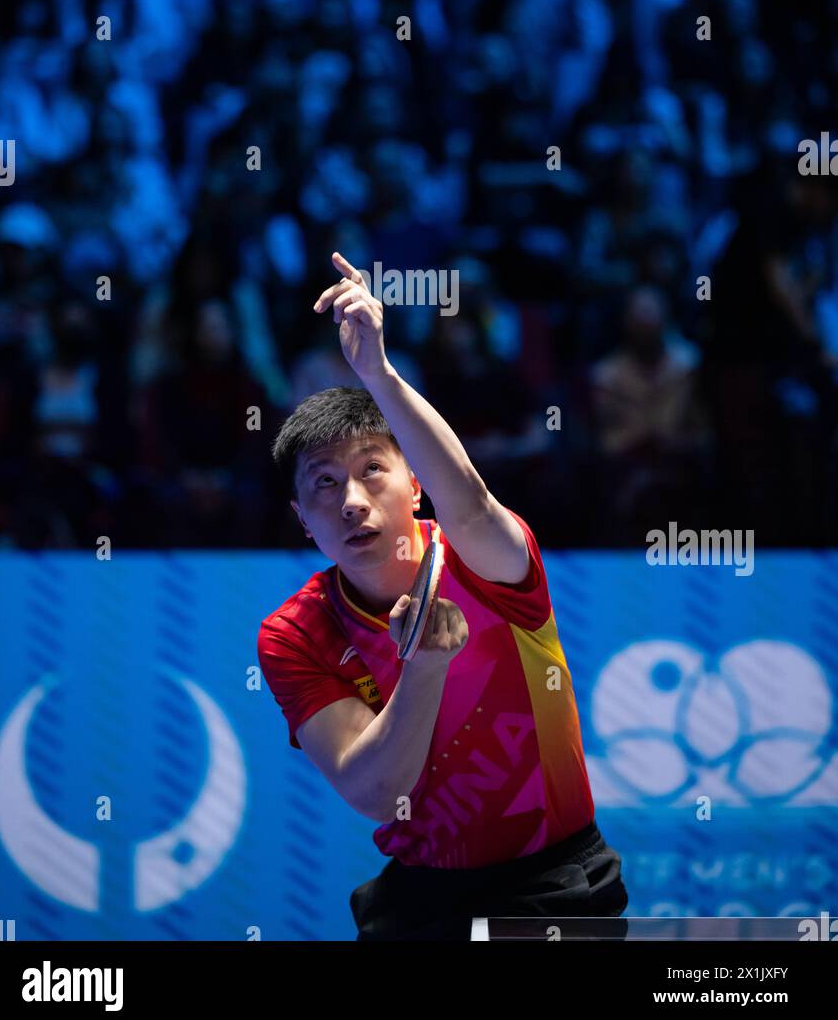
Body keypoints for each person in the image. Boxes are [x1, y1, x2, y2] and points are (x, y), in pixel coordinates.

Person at [257, 251, 627, 940]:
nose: (353, 502)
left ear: (416, 483)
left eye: (374, 470)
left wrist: (378, 371)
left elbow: (471, 500)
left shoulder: (489, 555)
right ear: (302, 519)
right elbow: (375, 794)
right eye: (325, 485)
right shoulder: (294, 633)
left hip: (555, 884)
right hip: (420, 902)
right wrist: (424, 667)